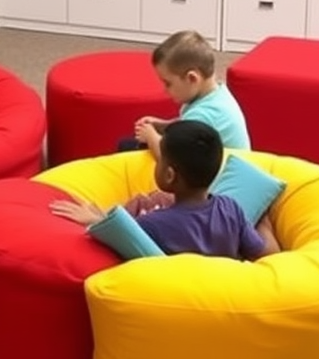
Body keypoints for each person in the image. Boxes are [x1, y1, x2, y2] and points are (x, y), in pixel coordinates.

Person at [52, 121, 279, 260]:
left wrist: (96, 220)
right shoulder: (231, 209)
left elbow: (123, 238)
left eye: (160, 160)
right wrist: (265, 222)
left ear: (169, 175)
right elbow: (263, 252)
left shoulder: (154, 224)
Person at [127, 29, 250, 158]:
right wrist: (163, 125)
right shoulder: (217, 93)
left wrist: (151, 137)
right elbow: (186, 123)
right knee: (130, 144)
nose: (164, 89)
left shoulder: (204, 114)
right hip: (207, 161)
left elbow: (174, 161)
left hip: (219, 176)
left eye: (168, 83)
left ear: (192, 78)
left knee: (130, 149)